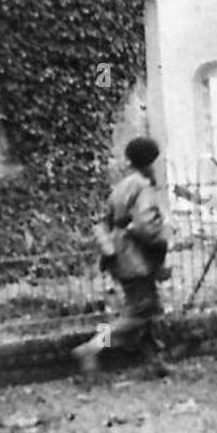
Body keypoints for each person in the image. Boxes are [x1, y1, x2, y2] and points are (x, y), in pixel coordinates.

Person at [72, 136, 171, 378]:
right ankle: (92, 348)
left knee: (147, 310)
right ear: (150, 161)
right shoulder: (142, 187)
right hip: (136, 257)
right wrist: (162, 239)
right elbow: (146, 226)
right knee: (138, 313)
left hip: (120, 255)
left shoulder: (122, 186)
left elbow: (104, 220)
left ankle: (154, 361)